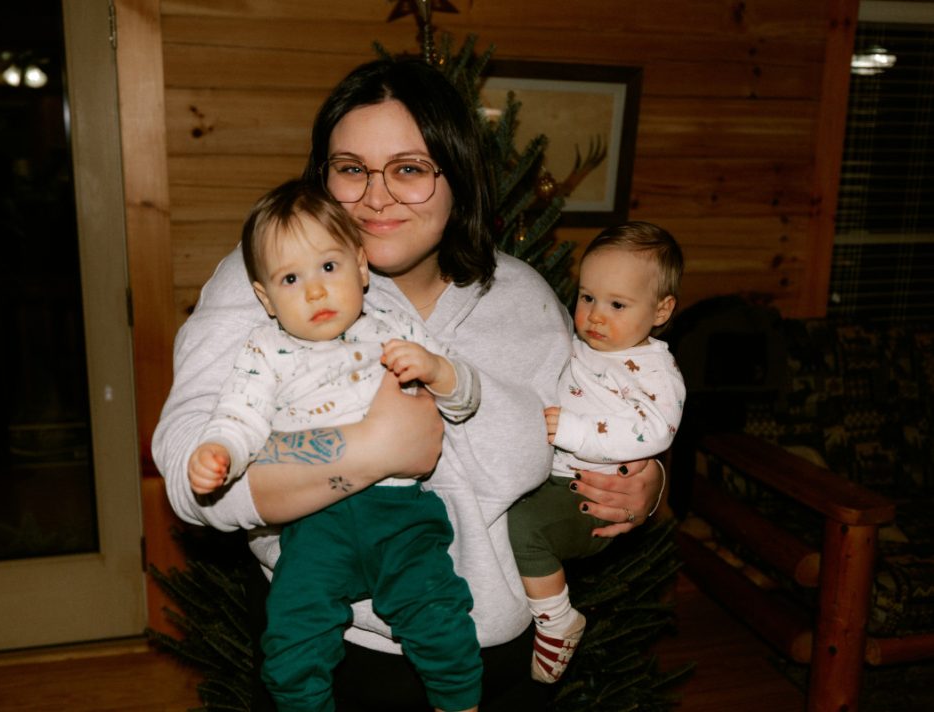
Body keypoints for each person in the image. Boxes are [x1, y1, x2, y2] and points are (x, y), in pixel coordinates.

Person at [152, 56, 666, 711]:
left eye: (410, 169)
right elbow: (190, 478)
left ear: (458, 175)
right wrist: (368, 450)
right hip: (337, 653)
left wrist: (646, 482)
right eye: (350, 168)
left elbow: (597, 415)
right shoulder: (275, 279)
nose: (376, 196)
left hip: (500, 657)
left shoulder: (526, 298)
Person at [188, 179, 483, 712]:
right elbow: (240, 414)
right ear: (265, 298)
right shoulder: (266, 349)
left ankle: (458, 701)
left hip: (399, 515)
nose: (315, 291)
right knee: (292, 635)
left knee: (437, 611)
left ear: (361, 268)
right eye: (291, 278)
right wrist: (220, 450)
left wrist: (438, 370)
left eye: (329, 266)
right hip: (315, 523)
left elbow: (464, 399)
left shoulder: (394, 327)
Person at [507, 221, 685, 684]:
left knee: (522, 528)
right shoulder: (578, 345)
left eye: (617, 304)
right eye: (587, 297)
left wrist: (575, 431)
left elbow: (655, 432)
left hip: (587, 493)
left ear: (661, 309)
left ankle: (556, 619)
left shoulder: (654, 372)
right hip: (552, 478)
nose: (595, 317)